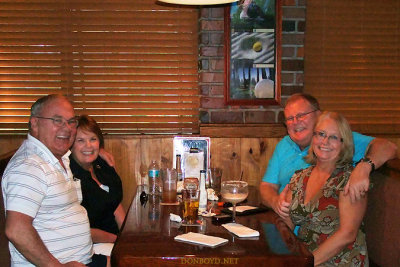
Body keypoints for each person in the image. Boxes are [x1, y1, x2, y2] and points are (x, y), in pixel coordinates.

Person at [2, 94, 108, 266]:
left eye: (71, 121)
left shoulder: (59, 157)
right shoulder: (29, 166)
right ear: (35, 123)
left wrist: (100, 151)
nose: (67, 128)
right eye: (57, 121)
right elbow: (16, 230)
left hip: (83, 258)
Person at [260, 93, 397, 219]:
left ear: (318, 115)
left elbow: (389, 147)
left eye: (301, 115)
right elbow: (267, 186)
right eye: (290, 118)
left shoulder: (335, 141)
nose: (295, 122)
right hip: (286, 226)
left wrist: (365, 167)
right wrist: (275, 202)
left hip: (321, 231)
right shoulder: (284, 144)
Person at [284, 111, 368, 266]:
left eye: (334, 137)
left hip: (340, 261)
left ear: (344, 144)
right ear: (313, 138)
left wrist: (306, 263)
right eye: (321, 134)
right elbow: (286, 226)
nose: (325, 141)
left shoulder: (349, 179)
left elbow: (348, 234)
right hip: (306, 258)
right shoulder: (299, 177)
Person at [70, 115, 125, 256]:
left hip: (113, 240)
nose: (88, 146)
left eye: (93, 139)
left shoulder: (102, 166)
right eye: (80, 140)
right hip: (88, 246)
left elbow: (115, 203)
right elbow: (80, 230)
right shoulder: (69, 176)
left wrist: (126, 237)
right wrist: (117, 240)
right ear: (70, 144)